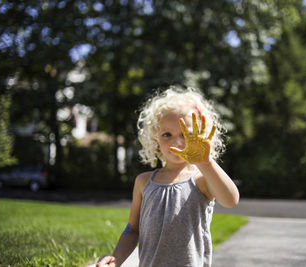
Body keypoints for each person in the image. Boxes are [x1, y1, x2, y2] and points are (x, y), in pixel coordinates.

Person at [96, 86, 239, 267]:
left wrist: (206, 163)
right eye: (167, 134)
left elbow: (231, 200)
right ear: (156, 138)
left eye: (186, 134)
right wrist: (116, 258)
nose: (177, 142)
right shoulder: (143, 182)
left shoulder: (201, 179)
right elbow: (132, 230)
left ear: (201, 136)